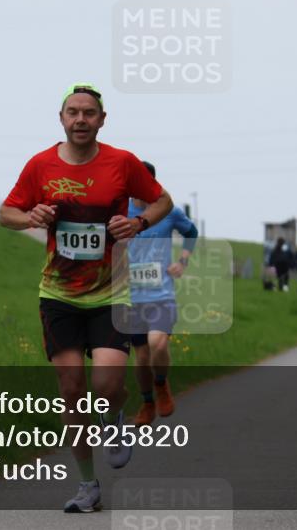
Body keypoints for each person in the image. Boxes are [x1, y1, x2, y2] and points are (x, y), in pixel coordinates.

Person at [0, 83, 173, 513]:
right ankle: (87, 485)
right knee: (72, 390)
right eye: (73, 112)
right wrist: (29, 217)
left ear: (101, 120)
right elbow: (6, 212)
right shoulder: (40, 165)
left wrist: (140, 222)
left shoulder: (123, 162)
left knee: (108, 385)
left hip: (111, 292)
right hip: (58, 294)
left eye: (89, 113)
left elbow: (162, 200)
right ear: (61, 119)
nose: (81, 120)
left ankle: (113, 421)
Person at [126, 161, 199, 426]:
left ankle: (161, 385)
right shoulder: (121, 210)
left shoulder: (169, 211)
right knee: (142, 356)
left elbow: (191, 232)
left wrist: (183, 261)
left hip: (161, 295)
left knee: (158, 343)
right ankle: (147, 403)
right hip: (130, 297)